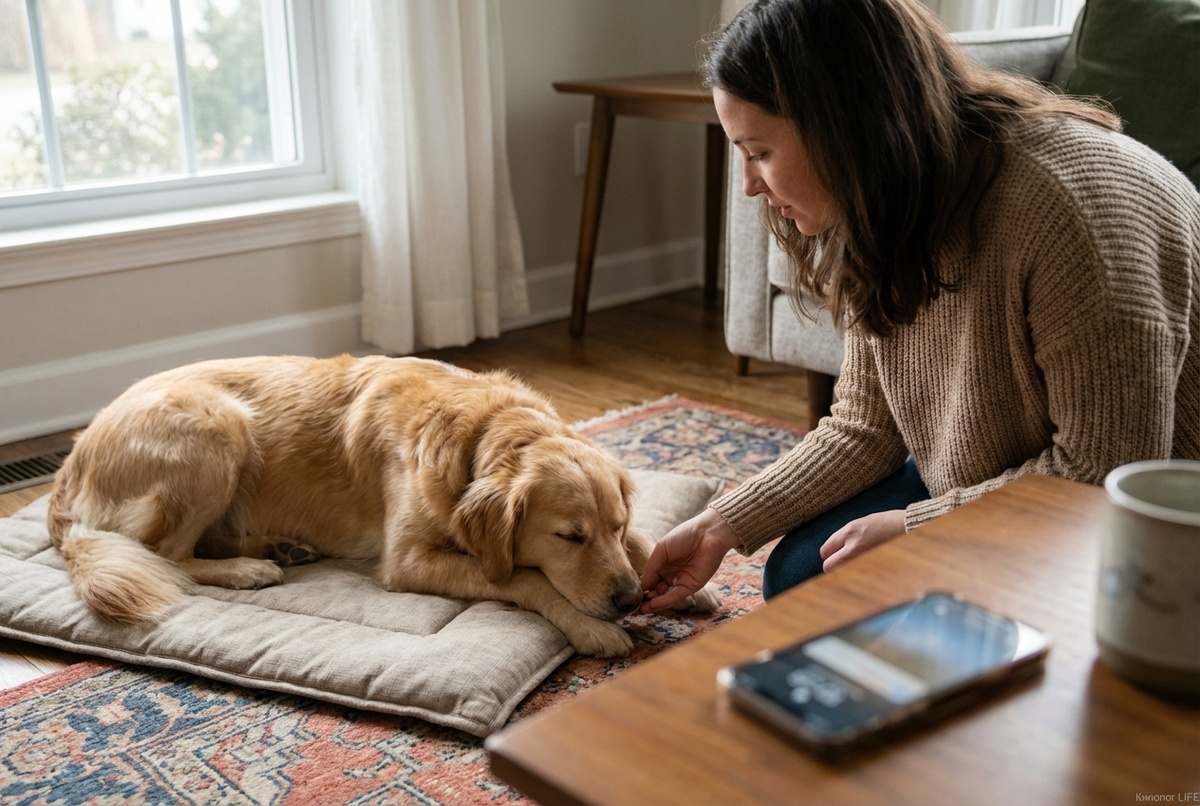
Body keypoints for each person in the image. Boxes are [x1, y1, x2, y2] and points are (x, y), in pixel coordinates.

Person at [638, 0, 1200, 613]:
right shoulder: (882, 198)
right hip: (1007, 468)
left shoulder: (1071, 212)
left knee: (857, 596)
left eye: (760, 152)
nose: (749, 185)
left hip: (1155, 515)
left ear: (842, 127)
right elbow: (864, 425)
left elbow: (1103, 474)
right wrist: (721, 523)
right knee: (801, 576)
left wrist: (919, 527)